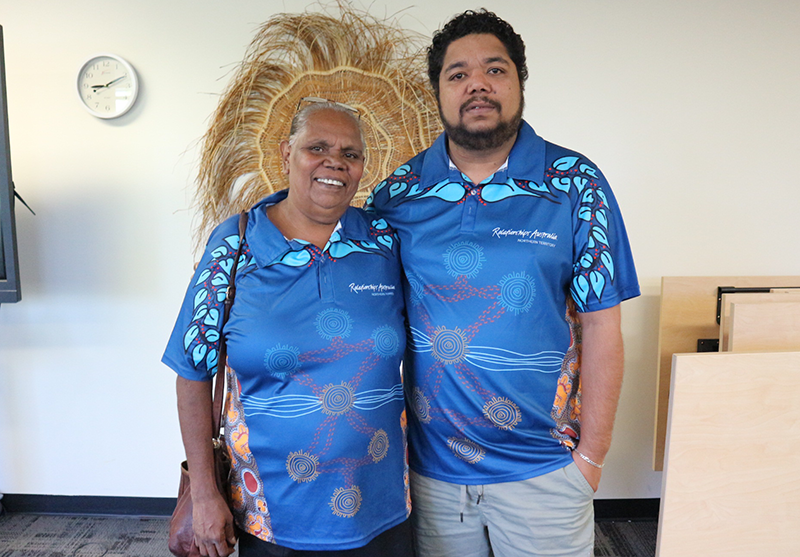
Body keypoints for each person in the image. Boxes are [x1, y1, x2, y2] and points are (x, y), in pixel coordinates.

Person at [366, 9, 640, 557]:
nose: (477, 85)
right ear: (438, 92)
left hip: (545, 470)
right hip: (432, 475)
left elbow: (603, 327)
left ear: (519, 82)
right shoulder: (398, 194)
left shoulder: (574, 184)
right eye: (458, 73)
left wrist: (591, 459)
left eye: (495, 70)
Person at [163, 101, 413, 557]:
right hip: (271, 512)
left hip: (383, 505)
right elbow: (191, 372)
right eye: (317, 147)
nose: (334, 161)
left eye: (350, 154)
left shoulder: (384, 241)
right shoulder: (235, 245)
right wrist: (203, 493)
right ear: (286, 153)